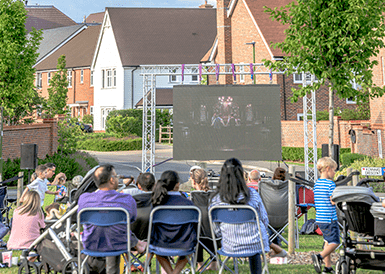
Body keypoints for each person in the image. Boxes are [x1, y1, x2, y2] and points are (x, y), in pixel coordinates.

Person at [77, 164, 146, 274]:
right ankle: (138, 244)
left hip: (91, 243)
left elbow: (81, 219)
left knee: (108, 232)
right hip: (118, 243)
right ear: (111, 180)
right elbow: (131, 219)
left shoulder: (84, 199)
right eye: (116, 176)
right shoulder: (126, 200)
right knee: (115, 233)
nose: (118, 178)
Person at [209, 158, 270, 274]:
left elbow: (215, 229)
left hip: (230, 245)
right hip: (255, 244)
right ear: (241, 175)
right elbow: (264, 220)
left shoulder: (215, 200)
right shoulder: (253, 195)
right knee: (255, 247)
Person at [151, 170, 197, 274]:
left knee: (155, 249)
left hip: (161, 243)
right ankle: (175, 272)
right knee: (191, 247)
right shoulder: (188, 204)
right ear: (177, 185)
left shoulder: (156, 203)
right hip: (184, 243)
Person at [311, 157, 340, 274]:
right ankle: (319, 256)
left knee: (327, 242)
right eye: (334, 170)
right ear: (328, 169)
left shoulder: (317, 184)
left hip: (320, 218)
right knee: (335, 242)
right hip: (330, 218)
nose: (335, 173)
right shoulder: (330, 184)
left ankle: (328, 267)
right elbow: (333, 201)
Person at [190, 168, 217, 271]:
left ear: (193, 181)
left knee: (195, 228)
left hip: (199, 238)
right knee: (209, 225)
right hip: (218, 237)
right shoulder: (215, 196)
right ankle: (214, 263)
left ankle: (200, 264)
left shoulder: (193, 197)